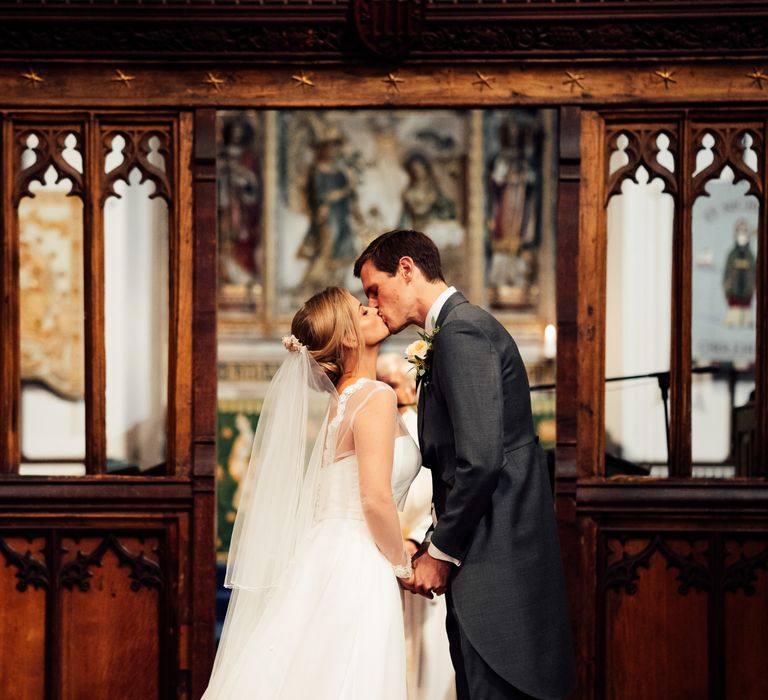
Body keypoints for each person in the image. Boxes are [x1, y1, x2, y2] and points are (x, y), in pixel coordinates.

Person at [355, 229, 576, 700]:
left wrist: (440, 553)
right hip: (487, 558)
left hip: (498, 566)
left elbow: (479, 462)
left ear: (408, 269)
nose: (371, 304)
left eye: (375, 288)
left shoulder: (462, 331)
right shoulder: (454, 332)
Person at [203, 286, 422, 699]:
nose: (373, 308)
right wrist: (404, 567)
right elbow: (374, 500)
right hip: (360, 562)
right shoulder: (375, 397)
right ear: (348, 338)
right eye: (362, 310)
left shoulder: (344, 402)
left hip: (327, 555)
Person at [377, 353, 456, 700]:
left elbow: (431, 488)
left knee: (426, 652)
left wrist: (413, 537)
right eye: (382, 385)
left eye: (392, 386)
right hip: (382, 550)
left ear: (410, 388)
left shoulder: (420, 429)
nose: (387, 394)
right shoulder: (372, 423)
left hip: (422, 551)